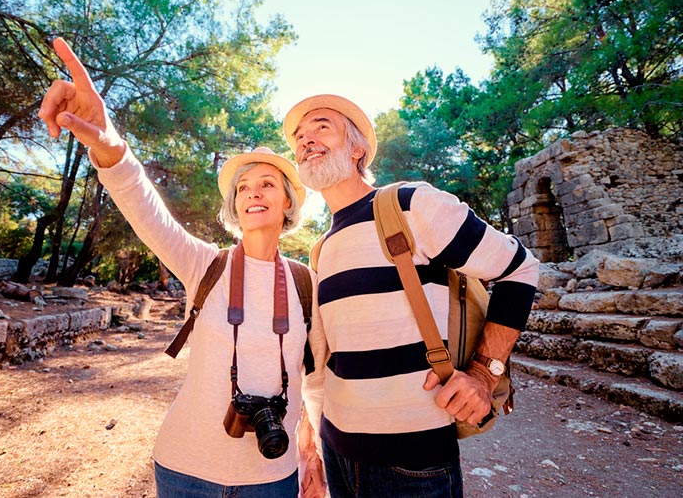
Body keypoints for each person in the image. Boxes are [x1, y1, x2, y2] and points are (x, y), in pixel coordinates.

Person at [38, 38, 326, 498]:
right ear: (235, 205)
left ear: (288, 202)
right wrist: (109, 141)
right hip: (184, 470)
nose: (253, 192)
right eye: (243, 187)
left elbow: (317, 381)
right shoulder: (205, 264)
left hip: (271, 477)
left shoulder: (307, 283)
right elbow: (145, 210)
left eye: (267, 184)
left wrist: (312, 452)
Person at [282, 94, 540, 498]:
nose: (306, 140)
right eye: (299, 136)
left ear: (357, 149)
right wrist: (312, 443)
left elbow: (520, 268)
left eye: (322, 127)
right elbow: (325, 362)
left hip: (413, 465)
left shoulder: (409, 204)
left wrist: (483, 374)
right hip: (337, 451)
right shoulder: (322, 249)